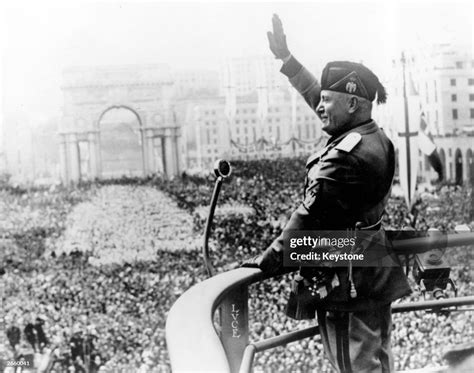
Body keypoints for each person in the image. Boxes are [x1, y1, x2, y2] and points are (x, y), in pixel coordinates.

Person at [243, 14, 411, 372]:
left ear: (352, 105)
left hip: (346, 275)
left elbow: (307, 216)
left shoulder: (345, 156)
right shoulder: (371, 137)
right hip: (371, 262)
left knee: (354, 365)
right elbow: (320, 98)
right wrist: (288, 63)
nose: (318, 105)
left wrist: (269, 260)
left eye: (328, 100)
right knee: (377, 356)